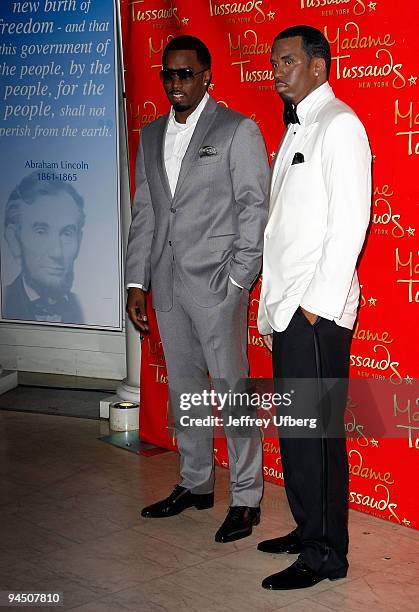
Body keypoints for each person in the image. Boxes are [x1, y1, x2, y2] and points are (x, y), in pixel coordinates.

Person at [125, 35, 269, 542]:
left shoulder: (236, 129)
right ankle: (196, 482)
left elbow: (254, 206)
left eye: (185, 74)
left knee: (232, 391)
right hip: (165, 282)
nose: (174, 83)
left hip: (216, 283)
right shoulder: (150, 133)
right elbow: (146, 211)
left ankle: (247, 496)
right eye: (167, 74)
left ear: (208, 76)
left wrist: (238, 277)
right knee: (186, 391)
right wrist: (136, 280)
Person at [257, 26, 371, 589]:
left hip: (316, 314)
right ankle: (308, 532)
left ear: (320, 66)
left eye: (288, 61)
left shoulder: (341, 124)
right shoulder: (302, 124)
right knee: (298, 433)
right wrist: (274, 307)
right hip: (289, 310)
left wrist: (314, 307)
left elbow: (350, 223)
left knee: (317, 438)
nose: (276, 70)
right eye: (273, 61)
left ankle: (327, 555)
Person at [2, 172, 85, 324]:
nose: (57, 253)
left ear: (79, 241)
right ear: (14, 239)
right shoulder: (4, 301)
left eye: (67, 233)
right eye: (41, 232)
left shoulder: (86, 309)